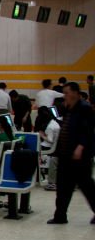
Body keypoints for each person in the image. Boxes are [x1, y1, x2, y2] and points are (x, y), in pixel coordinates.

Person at [48, 82, 95, 224]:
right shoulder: (69, 108)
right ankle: (60, 216)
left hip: (79, 155)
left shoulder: (84, 108)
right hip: (65, 154)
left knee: (87, 186)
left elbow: (87, 131)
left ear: (75, 93)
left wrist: (80, 147)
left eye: (67, 93)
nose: (65, 95)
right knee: (63, 187)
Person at [34, 105, 59, 191]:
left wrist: (42, 135)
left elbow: (50, 140)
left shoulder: (50, 127)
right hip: (51, 146)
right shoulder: (54, 122)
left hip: (47, 147)